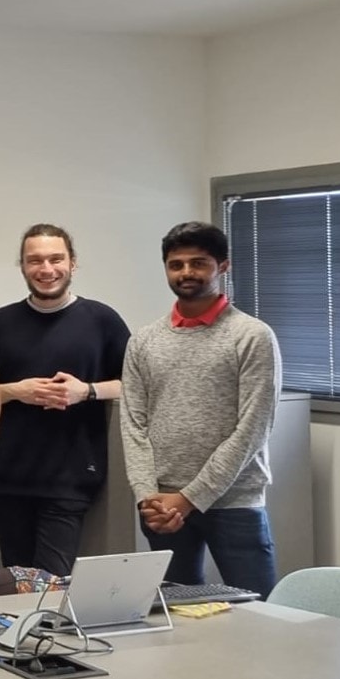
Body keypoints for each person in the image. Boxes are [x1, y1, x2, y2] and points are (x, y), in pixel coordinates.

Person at [120, 221, 282, 599]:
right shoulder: (144, 340)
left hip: (235, 503)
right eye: (176, 265)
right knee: (175, 615)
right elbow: (133, 423)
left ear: (222, 266)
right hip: (162, 505)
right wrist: (147, 495)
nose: (187, 273)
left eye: (199, 263)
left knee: (260, 613)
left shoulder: (252, 336)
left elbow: (253, 428)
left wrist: (190, 497)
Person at [0, 224, 129, 575]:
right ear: (23, 266)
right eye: (35, 261)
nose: (46, 269)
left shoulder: (102, 319)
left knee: (50, 584)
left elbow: (137, 384)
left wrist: (87, 390)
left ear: (72, 263)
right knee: (15, 583)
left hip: (70, 477)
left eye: (55, 259)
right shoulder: (1, 322)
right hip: (8, 477)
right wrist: (17, 390)